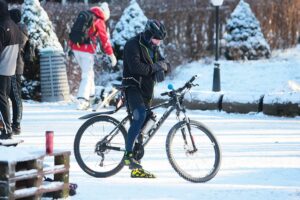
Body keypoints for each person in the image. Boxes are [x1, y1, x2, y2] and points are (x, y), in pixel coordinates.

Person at [122, 19, 169, 178]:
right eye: (156, 38)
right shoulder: (132, 45)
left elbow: (164, 63)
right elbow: (137, 68)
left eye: (160, 40)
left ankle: (136, 168)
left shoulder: (154, 47)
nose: (158, 42)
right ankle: (128, 156)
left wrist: (163, 68)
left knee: (147, 123)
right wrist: (156, 67)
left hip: (146, 90)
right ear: (149, 35)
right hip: (132, 87)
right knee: (140, 115)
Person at [69, 2, 117, 110]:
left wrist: (71, 47)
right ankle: (82, 100)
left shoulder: (86, 15)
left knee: (89, 73)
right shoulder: (98, 20)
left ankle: (91, 97)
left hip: (75, 48)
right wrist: (111, 55)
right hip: (86, 50)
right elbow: (105, 40)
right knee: (87, 75)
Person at [0, 0, 22, 139]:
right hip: (10, 68)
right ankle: (6, 128)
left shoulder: (2, 26)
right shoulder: (14, 25)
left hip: (2, 68)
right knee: (4, 99)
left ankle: (7, 130)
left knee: (1, 100)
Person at [9, 8, 28, 135]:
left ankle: (16, 124)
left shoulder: (19, 29)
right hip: (14, 66)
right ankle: (14, 123)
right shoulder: (21, 28)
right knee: (12, 96)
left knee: (15, 97)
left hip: (15, 67)